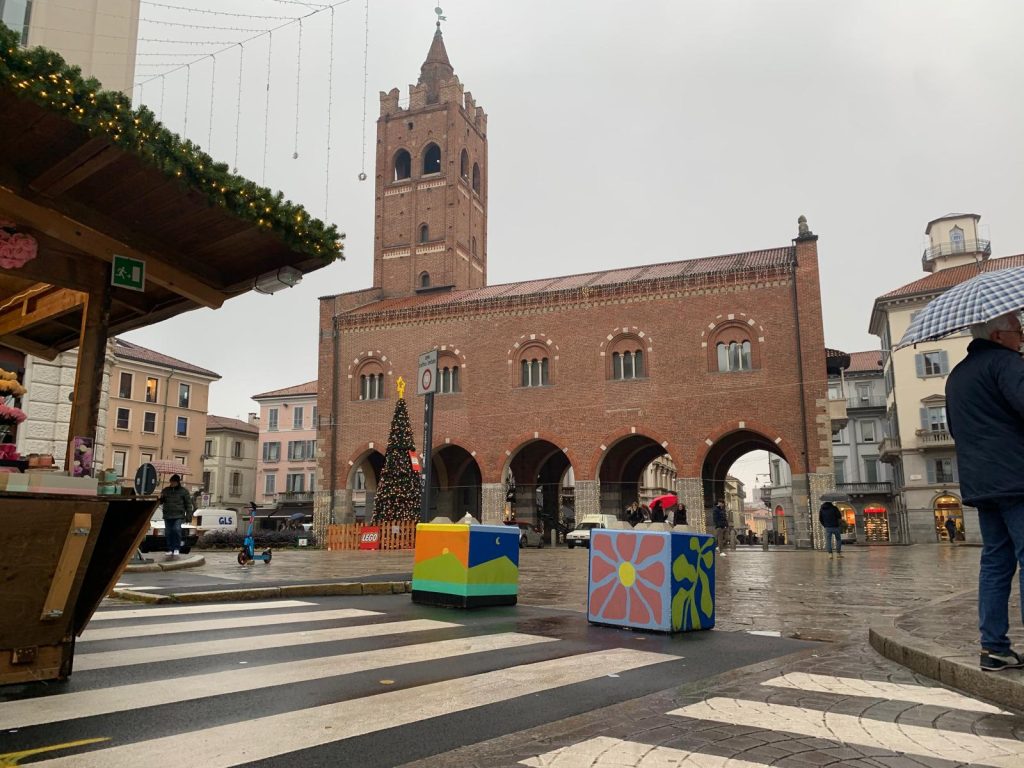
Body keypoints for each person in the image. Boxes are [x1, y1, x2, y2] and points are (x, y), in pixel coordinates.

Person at [946, 311, 1024, 672]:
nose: (1021, 335)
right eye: (1017, 329)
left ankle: (993, 647)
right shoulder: (1007, 363)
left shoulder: (956, 376)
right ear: (998, 334)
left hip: (981, 482)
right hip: (1017, 475)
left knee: (994, 562)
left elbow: (955, 428)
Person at [159, 473, 193, 559]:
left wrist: (188, 516)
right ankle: (170, 549)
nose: (172, 483)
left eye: (174, 482)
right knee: (168, 532)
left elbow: (188, 505)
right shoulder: (166, 490)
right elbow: (161, 502)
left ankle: (177, 548)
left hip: (178, 515)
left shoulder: (184, 491)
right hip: (167, 515)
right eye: (171, 481)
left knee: (176, 530)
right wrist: (161, 497)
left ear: (178, 482)